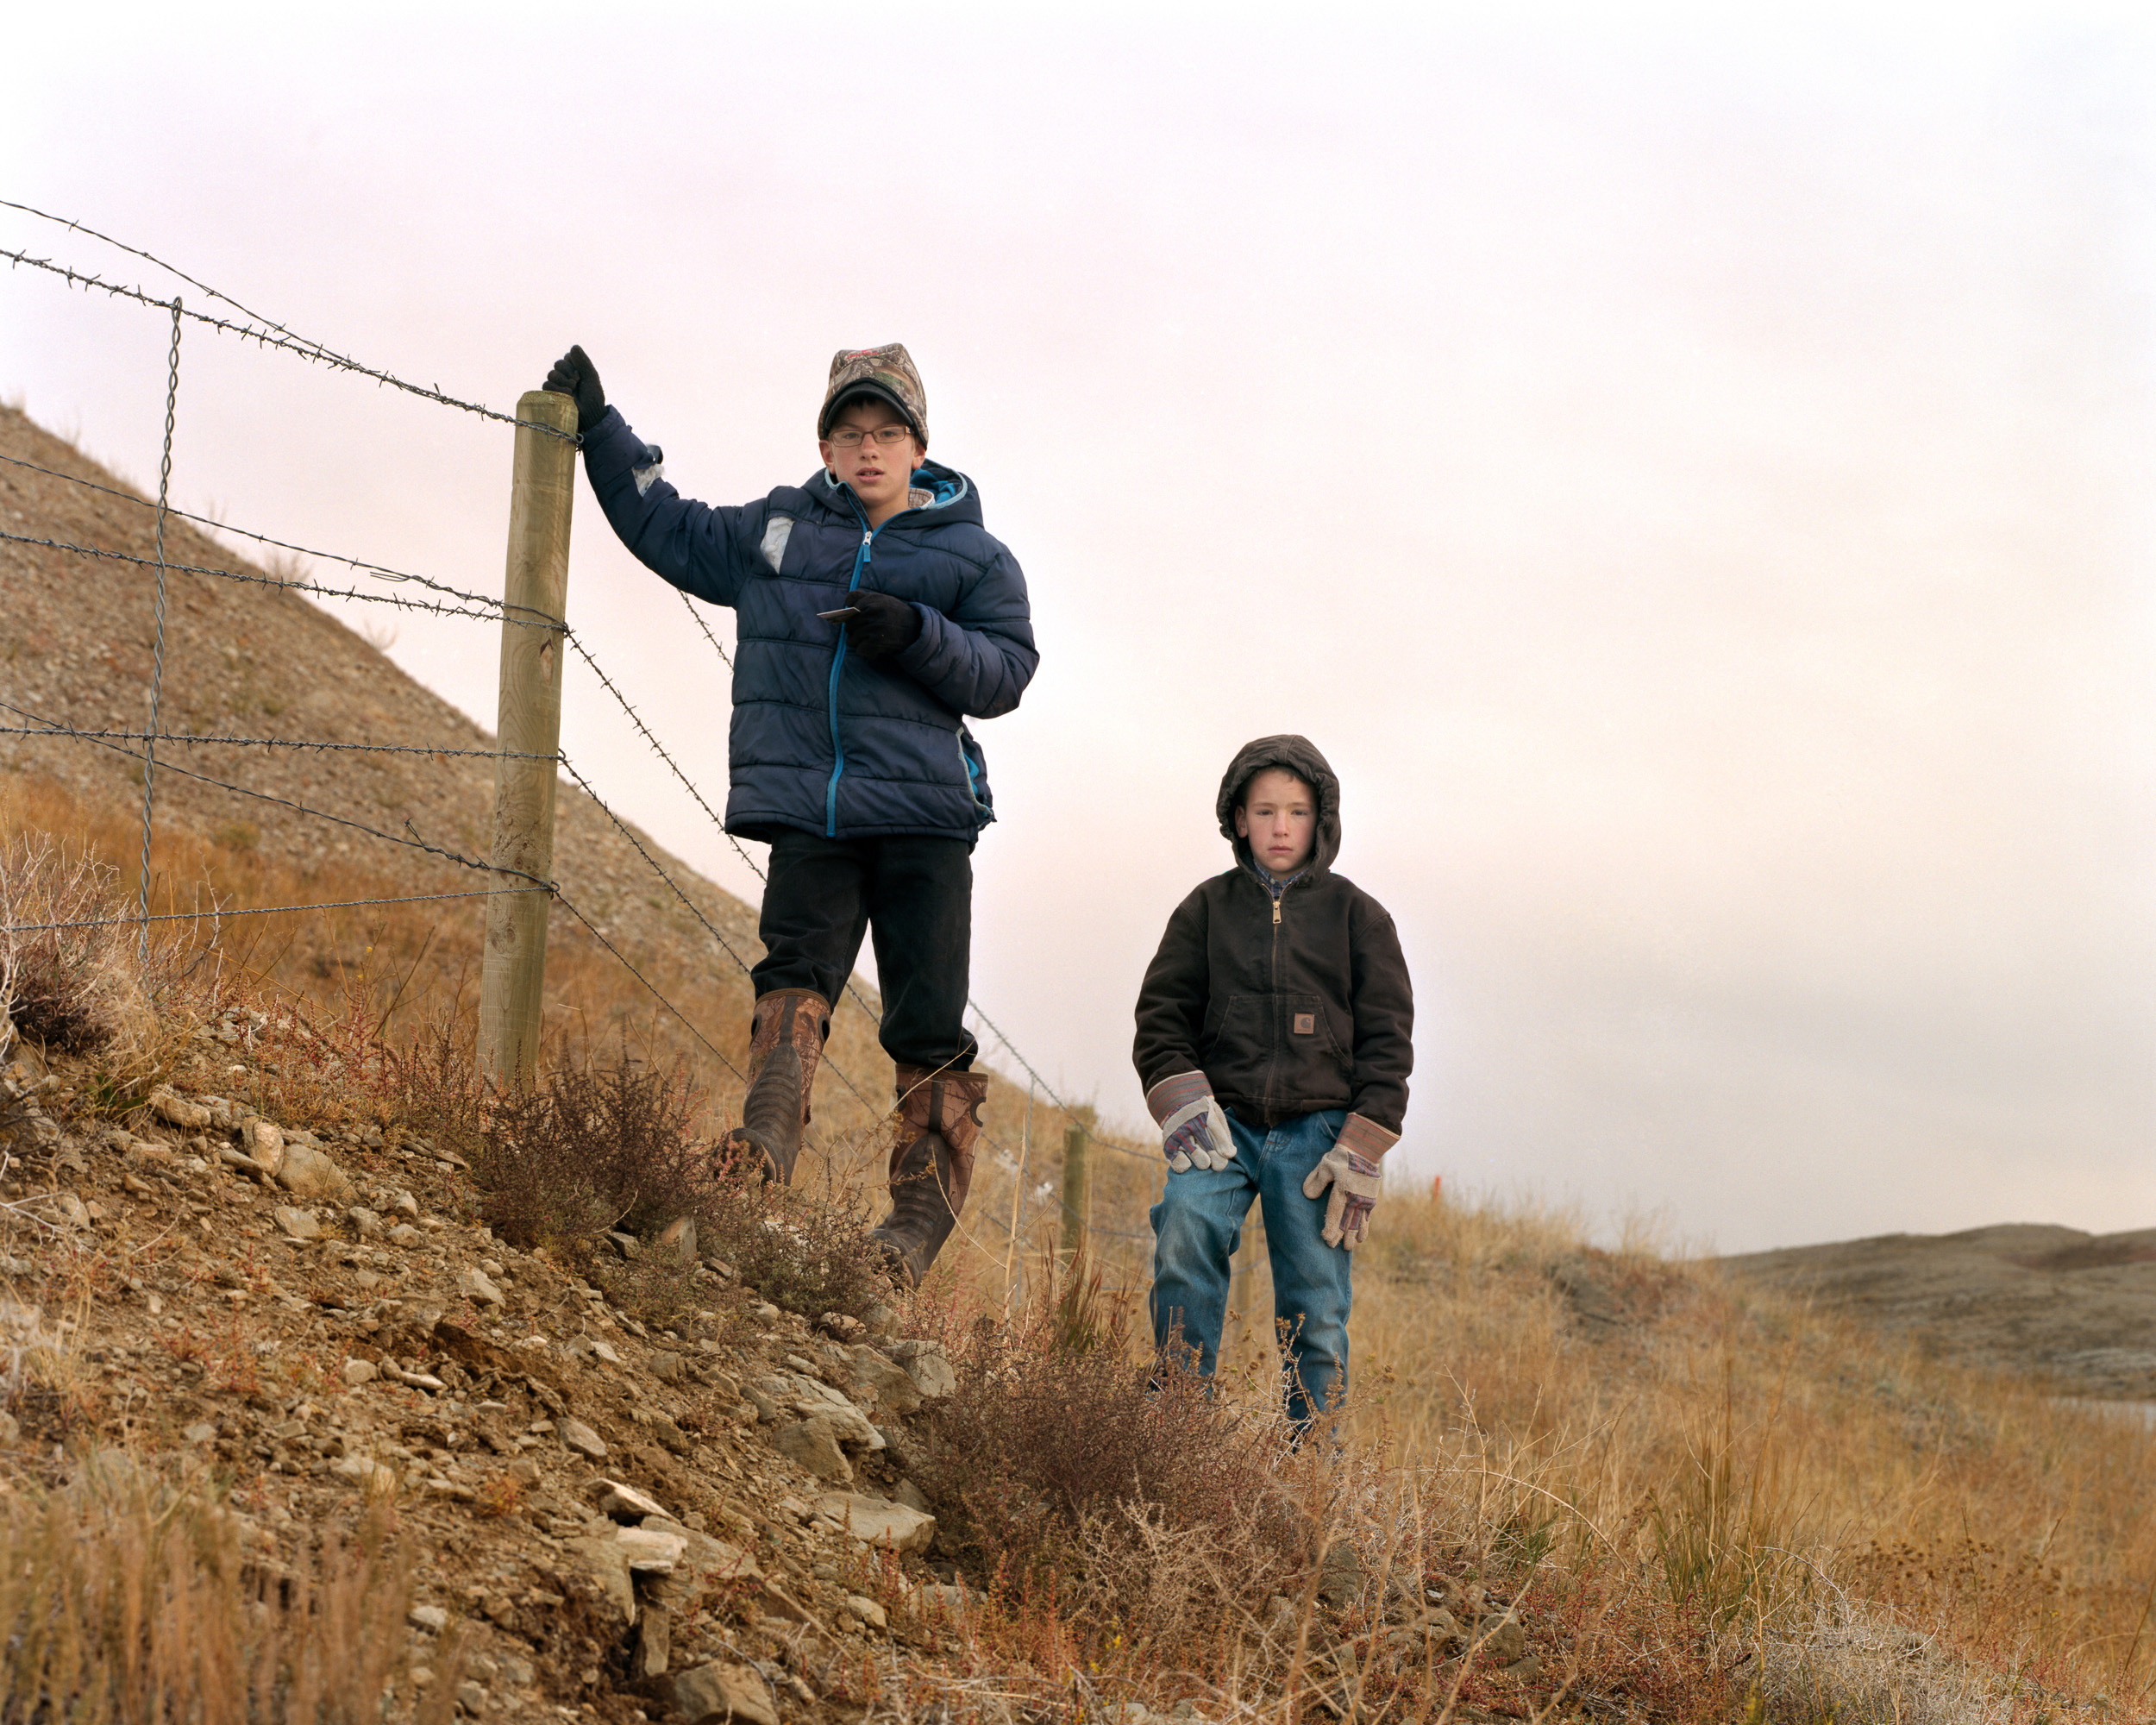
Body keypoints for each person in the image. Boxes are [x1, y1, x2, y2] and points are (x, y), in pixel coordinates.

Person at [540, 342, 1037, 1288]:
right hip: (813, 808)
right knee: (792, 974)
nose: (868, 448)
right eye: (850, 433)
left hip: (929, 819)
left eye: (887, 431)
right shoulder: (778, 529)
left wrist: (916, 631)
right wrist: (600, 427)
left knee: (927, 1026)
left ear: (918, 444)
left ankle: (910, 1229)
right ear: (824, 444)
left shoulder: (973, 553)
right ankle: (763, 1140)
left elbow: (1008, 669)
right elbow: (665, 525)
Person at [1132, 736, 1413, 1430]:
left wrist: (1363, 1146)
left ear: (1323, 820)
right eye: (1264, 811)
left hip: (1320, 1141)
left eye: (1296, 811)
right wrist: (1181, 1099)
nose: (1280, 826)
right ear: (1237, 819)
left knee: (1316, 1305)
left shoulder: (1360, 918)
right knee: (1183, 1232)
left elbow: (1388, 1043)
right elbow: (1161, 1014)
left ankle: (1311, 1463)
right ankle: (1176, 1426)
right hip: (1218, 1128)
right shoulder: (1205, 910)